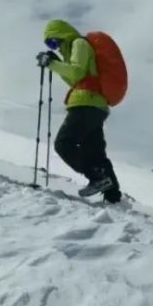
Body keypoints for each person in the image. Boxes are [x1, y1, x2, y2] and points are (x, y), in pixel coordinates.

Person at [38, 20, 121, 202]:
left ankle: (97, 178)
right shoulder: (75, 47)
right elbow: (74, 80)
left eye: (54, 41)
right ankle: (113, 196)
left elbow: (76, 73)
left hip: (86, 102)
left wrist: (52, 64)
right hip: (95, 104)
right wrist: (58, 63)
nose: (56, 46)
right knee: (95, 151)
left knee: (63, 143)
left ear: (61, 34)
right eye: (51, 45)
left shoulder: (78, 43)